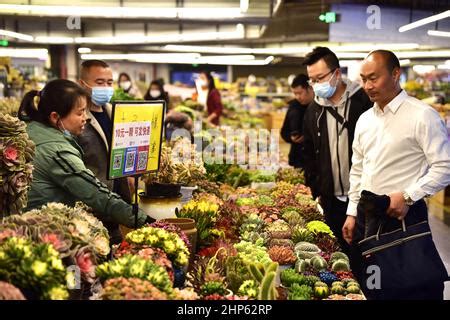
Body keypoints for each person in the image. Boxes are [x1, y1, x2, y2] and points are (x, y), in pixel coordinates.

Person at [343, 50, 450, 300]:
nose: (367, 86)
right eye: (363, 79)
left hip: (404, 217)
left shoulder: (422, 115)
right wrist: (352, 211)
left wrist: (408, 196)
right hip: (367, 216)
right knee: (373, 288)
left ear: (395, 74)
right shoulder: (365, 120)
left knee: (413, 289)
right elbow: (358, 168)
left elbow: (444, 166)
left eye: (373, 78)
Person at [19, 79, 152, 232]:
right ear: (55, 117)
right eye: (80, 112)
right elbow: (94, 192)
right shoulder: (56, 151)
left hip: (29, 223)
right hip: (42, 230)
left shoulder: (33, 130)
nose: (85, 118)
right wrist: (143, 220)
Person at [302, 47, 372, 261]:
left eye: (320, 78)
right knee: (338, 256)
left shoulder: (363, 103)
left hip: (364, 199)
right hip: (331, 199)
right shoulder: (313, 111)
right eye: (311, 80)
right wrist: (315, 187)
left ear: (336, 74)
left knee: (365, 255)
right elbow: (310, 154)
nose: (315, 85)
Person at [78, 60, 134, 244]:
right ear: (82, 84)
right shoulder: (76, 120)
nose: (106, 87)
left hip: (117, 207)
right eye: (99, 82)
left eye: (109, 83)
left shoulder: (117, 114)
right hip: (90, 211)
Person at [280, 74, 314, 169]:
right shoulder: (293, 106)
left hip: (313, 161)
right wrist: (291, 138)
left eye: (300, 93)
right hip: (296, 158)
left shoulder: (319, 107)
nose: (297, 97)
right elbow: (283, 132)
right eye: (295, 94)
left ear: (310, 89)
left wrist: (307, 136)